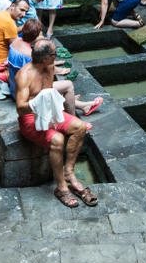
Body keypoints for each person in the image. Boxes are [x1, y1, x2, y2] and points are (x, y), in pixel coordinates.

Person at [15, 40, 97, 209]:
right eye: (54, 54)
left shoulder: (49, 66)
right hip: (30, 117)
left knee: (80, 127)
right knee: (58, 139)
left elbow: (49, 91)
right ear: (45, 58)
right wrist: (38, 103)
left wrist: (54, 105)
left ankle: (68, 172)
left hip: (49, 113)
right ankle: (61, 188)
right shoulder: (24, 75)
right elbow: (20, 108)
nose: (56, 57)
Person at [9, 19, 102, 116]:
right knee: (68, 85)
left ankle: (75, 102)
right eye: (40, 33)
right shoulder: (29, 55)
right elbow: (43, 79)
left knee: (59, 91)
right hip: (25, 95)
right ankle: (78, 111)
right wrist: (56, 69)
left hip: (14, 88)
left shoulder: (15, 41)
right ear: (36, 35)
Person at [0, 0, 30, 94]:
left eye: (26, 12)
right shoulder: (9, 22)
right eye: (22, 10)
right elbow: (17, 48)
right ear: (13, 6)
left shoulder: (0, 14)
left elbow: (10, 33)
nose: (24, 15)